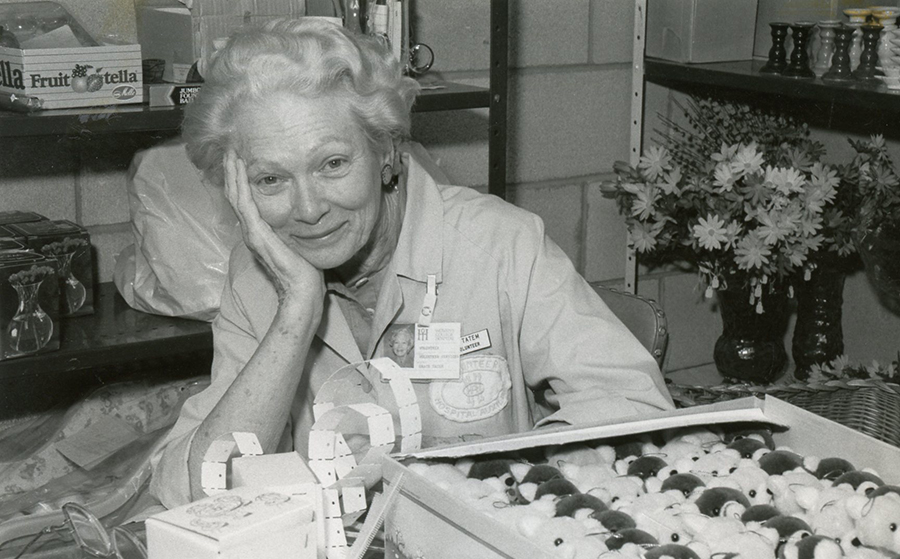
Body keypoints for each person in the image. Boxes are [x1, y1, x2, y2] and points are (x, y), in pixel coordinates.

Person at [149, 17, 673, 508]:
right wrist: (296, 311)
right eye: (271, 180)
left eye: (333, 164)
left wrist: (511, 484)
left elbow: (635, 405)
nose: (308, 210)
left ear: (387, 152)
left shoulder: (498, 243)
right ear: (237, 189)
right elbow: (196, 488)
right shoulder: (255, 278)